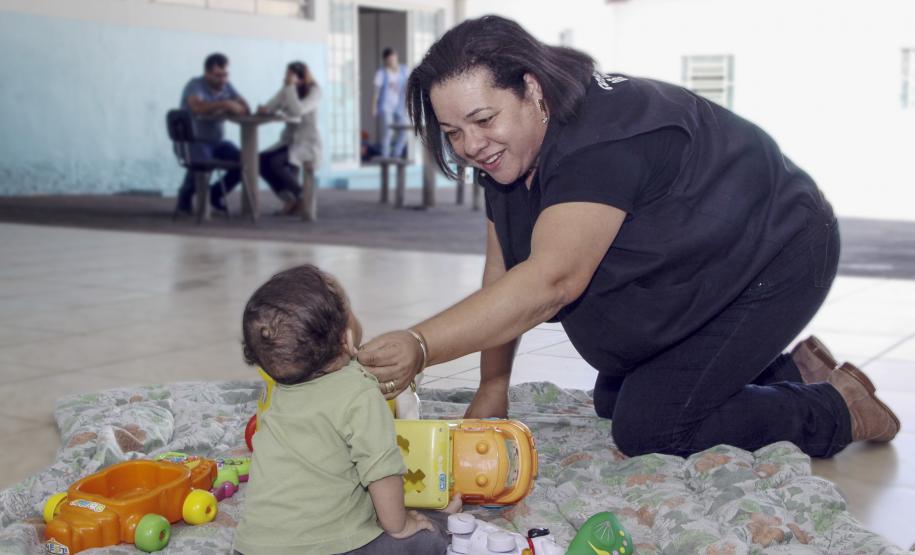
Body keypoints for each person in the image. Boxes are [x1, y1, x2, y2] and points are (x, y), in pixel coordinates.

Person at [355, 15, 900, 460]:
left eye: (482, 120)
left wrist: (420, 345)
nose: (471, 145)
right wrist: (492, 385)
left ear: (531, 89)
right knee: (617, 395)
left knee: (652, 429)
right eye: (452, 133)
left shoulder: (599, 144)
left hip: (778, 254)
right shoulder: (508, 150)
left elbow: (551, 281)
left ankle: (837, 409)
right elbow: (502, 273)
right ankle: (790, 371)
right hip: (712, 259)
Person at [233, 264, 460, 555]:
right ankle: (443, 522)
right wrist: (401, 526)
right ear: (347, 338)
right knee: (424, 538)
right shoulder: (359, 389)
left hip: (252, 547)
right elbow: (382, 471)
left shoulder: (279, 393)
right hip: (332, 548)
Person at [177, 53, 250, 214]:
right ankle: (186, 196)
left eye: (225, 75)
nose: (222, 79)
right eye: (218, 76)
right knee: (203, 162)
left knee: (246, 162)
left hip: (217, 141)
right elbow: (196, 108)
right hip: (193, 141)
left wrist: (236, 106)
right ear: (207, 73)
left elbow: (245, 106)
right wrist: (225, 103)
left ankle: (215, 194)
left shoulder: (227, 86)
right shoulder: (195, 85)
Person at [256, 61, 322, 216]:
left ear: (299, 78)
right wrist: (264, 109)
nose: (285, 78)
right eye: (286, 75)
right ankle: (289, 198)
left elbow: (298, 110)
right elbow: (272, 105)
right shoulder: (287, 89)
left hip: (307, 143)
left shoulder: (315, 91)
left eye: (289, 76)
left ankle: (303, 196)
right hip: (289, 141)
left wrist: (290, 87)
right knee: (259, 160)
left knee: (275, 162)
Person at [372, 48, 409, 159]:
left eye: (393, 58)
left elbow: (409, 86)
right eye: (389, 59)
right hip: (386, 106)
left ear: (396, 57)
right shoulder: (381, 73)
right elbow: (376, 92)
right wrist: (374, 107)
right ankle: (386, 157)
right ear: (385, 60)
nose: (392, 61)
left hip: (400, 106)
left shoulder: (404, 70)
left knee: (404, 131)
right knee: (388, 133)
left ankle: (396, 155)